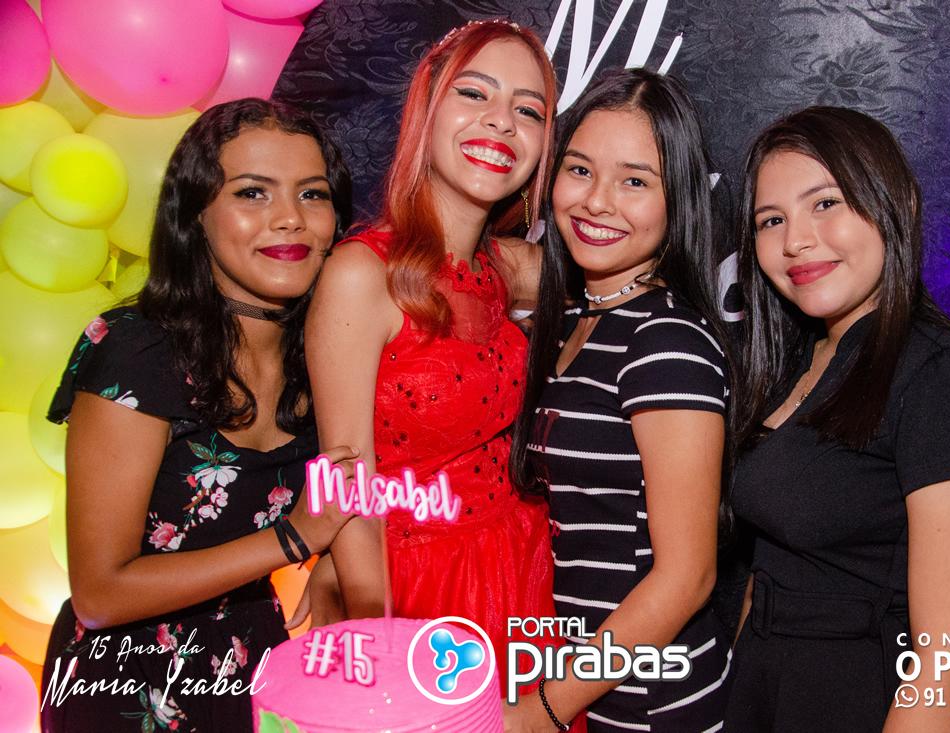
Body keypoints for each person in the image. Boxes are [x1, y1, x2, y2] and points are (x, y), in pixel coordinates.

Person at [39, 98, 355, 733]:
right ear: (195, 216)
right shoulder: (138, 350)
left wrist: (336, 563)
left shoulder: (324, 354)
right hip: (125, 679)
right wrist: (293, 540)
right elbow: (100, 594)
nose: (289, 218)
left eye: (312, 194)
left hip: (248, 659)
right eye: (253, 193)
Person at [722, 106, 950, 732]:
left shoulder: (945, 377)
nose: (795, 240)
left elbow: (949, 667)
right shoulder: (793, 362)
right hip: (764, 693)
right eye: (771, 220)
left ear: (895, 205)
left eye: (825, 203)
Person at [301, 19, 560, 679]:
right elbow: (349, 486)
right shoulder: (363, 274)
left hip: (520, 564)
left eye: (528, 110)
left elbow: (618, 258)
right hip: (420, 591)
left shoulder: (502, 266)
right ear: (426, 110)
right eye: (475, 93)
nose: (501, 121)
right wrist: (375, 633)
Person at [507, 68, 735, 733]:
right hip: (587, 682)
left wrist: (544, 710)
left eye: (634, 181)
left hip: (648, 702)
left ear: (677, 200)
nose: (596, 202)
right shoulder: (575, 320)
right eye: (580, 170)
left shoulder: (665, 342)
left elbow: (687, 577)